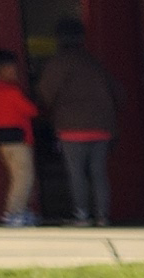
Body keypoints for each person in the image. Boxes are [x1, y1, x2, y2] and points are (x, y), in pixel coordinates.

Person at [34, 20, 117, 228]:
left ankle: (82, 216)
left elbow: (45, 95)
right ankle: (102, 216)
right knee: (98, 173)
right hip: (101, 127)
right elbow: (118, 93)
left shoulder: (58, 64)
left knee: (77, 173)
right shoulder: (94, 63)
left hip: (72, 128)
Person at [0, 53, 39, 228]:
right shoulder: (12, 92)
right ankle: (13, 212)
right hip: (19, 140)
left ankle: (20, 211)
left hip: (3, 142)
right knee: (24, 178)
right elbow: (32, 111)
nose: (15, 72)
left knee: (17, 176)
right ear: (5, 69)